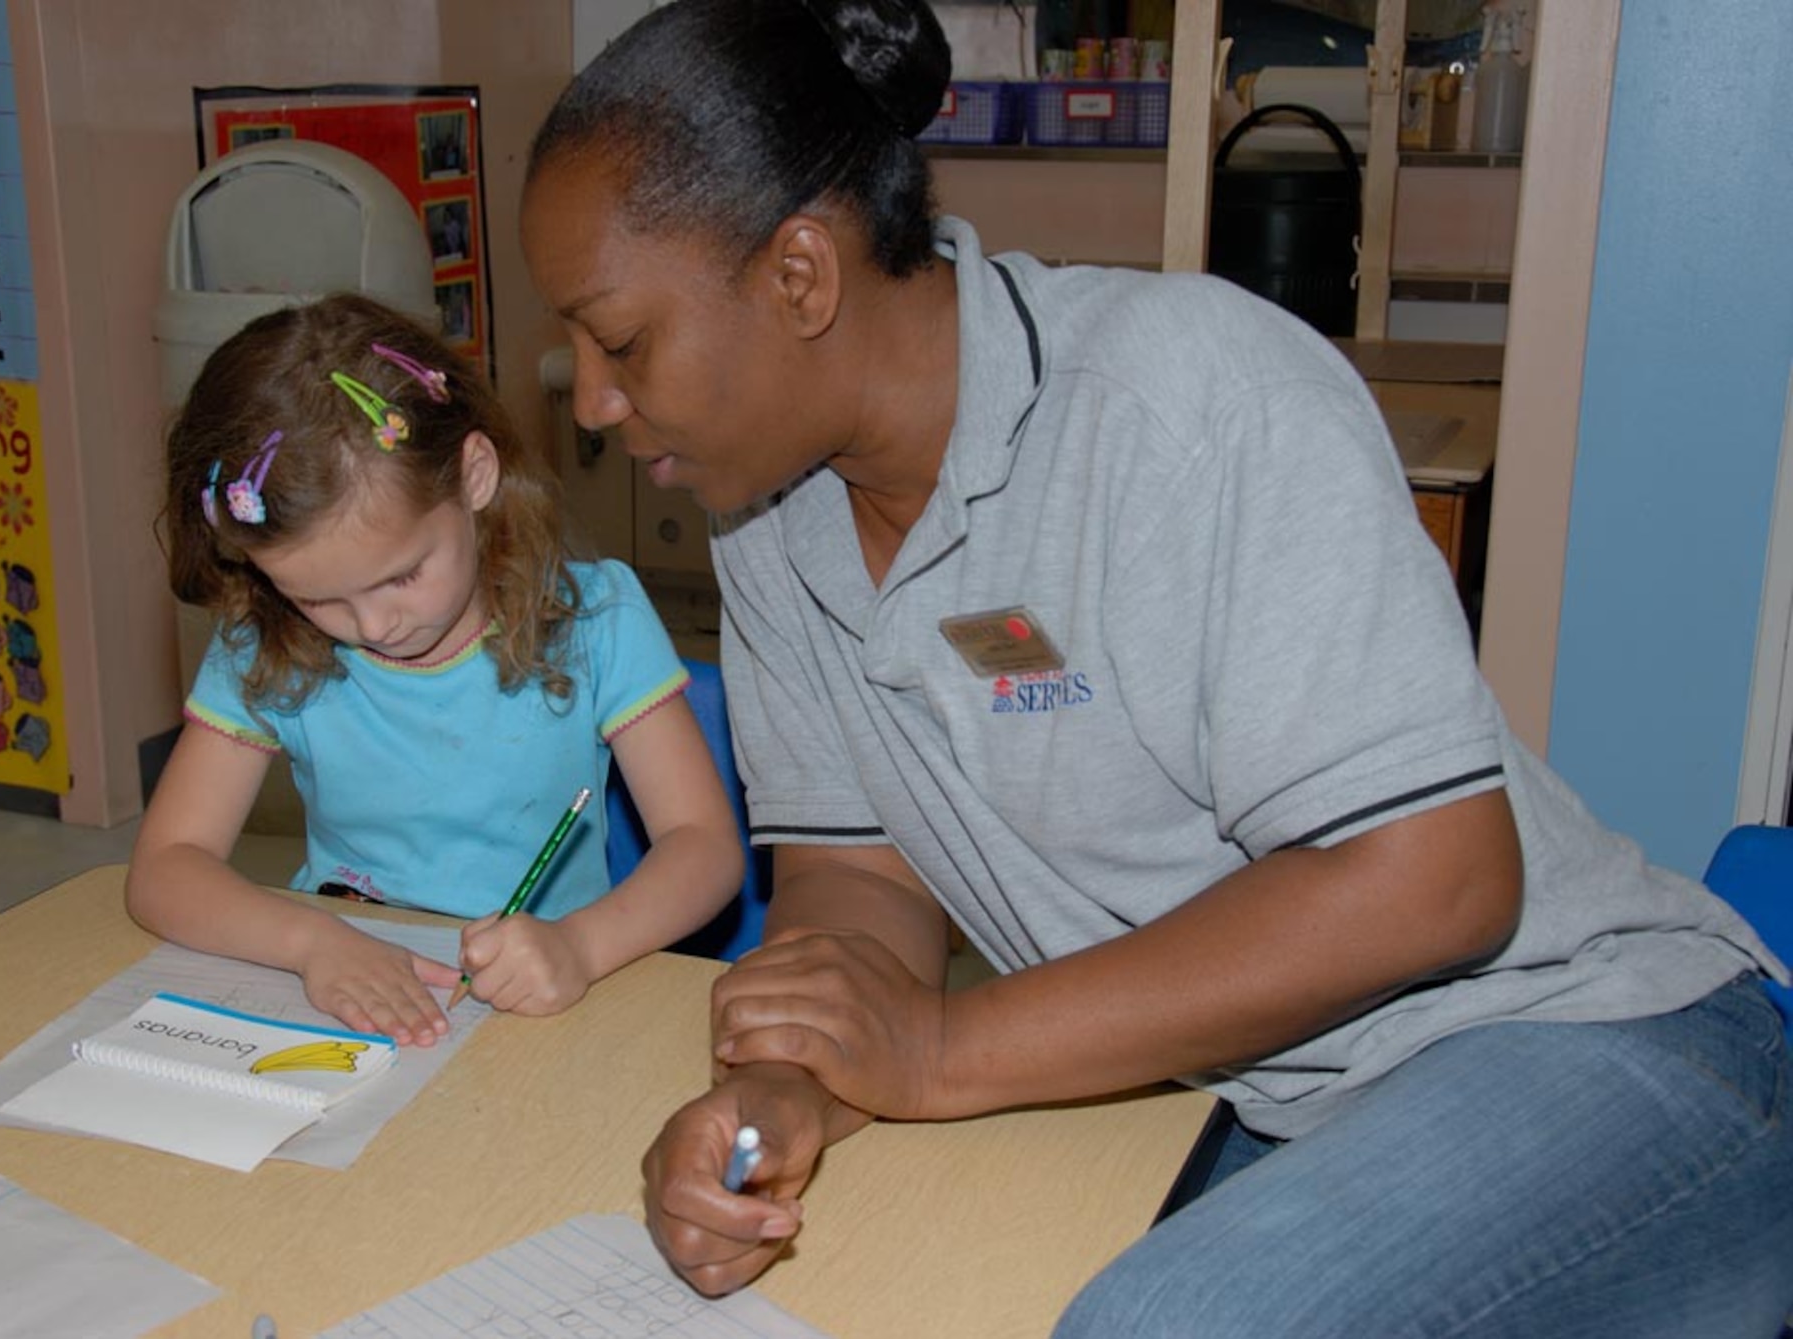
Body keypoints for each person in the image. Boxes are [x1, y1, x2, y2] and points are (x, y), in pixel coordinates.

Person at [518, 1, 1793, 1332]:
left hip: (1588, 1044)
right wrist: (797, 1085)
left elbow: (1440, 880)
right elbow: (860, 872)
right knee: (911, 1279)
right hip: (1262, 1093)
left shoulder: (1187, 402)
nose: (594, 400)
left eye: (622, 340)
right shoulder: (771, 517)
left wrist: (944, 1043)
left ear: (799, 276)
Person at [130, 293, 745, 1047]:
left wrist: (581, 945)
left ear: (473, 476)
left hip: (545, 997)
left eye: (402, 575)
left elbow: (704, 846)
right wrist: (312, 941)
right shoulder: (271, 639)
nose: (375, 625)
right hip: (344, 990)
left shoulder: (595, 621)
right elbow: (165, 867)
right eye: (320, 596)